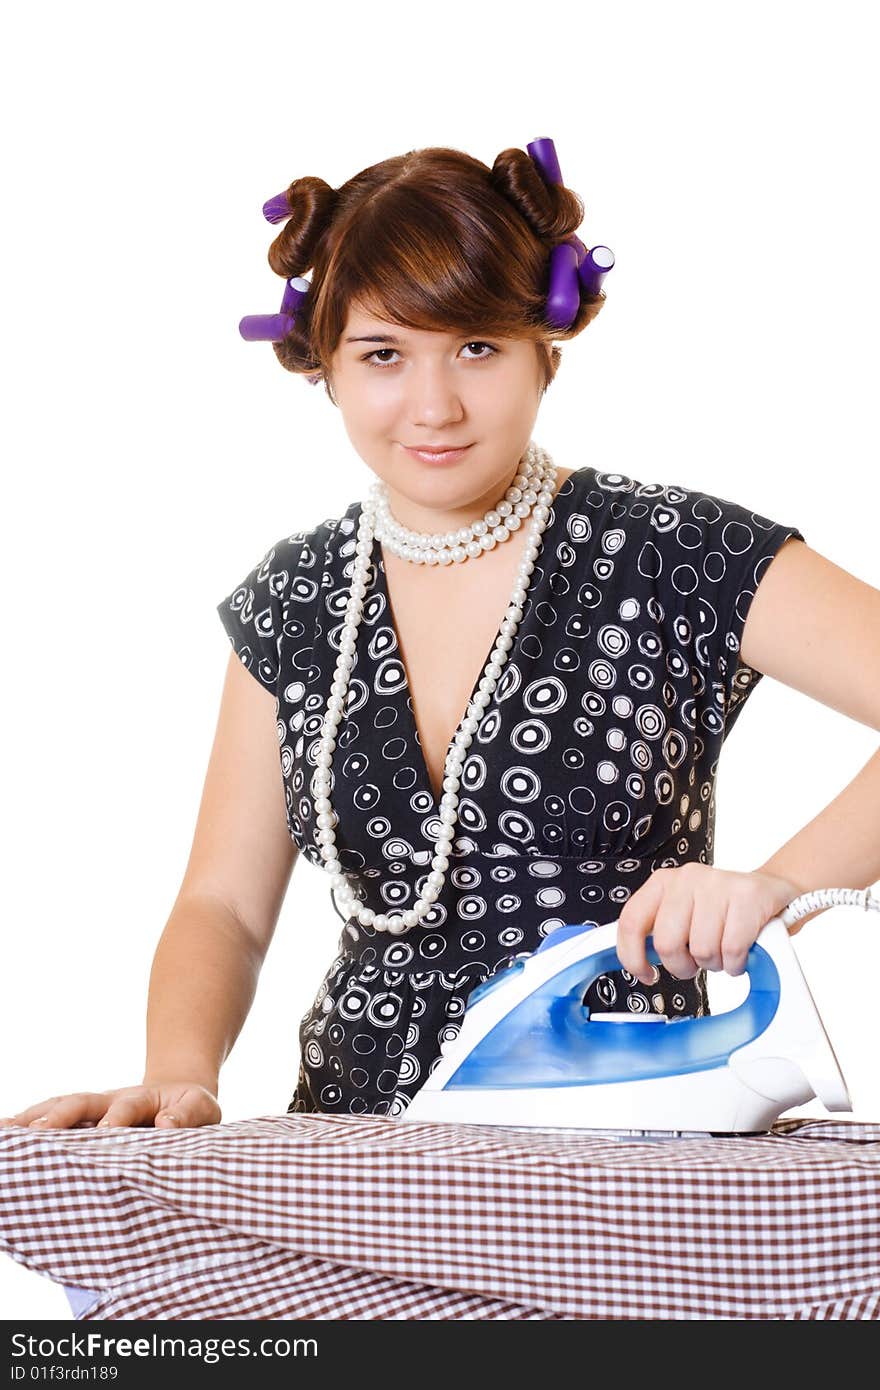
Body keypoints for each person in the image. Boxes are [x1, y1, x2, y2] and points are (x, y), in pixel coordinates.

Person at [3, 139, 879, 1132]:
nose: (434, 406)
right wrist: (179, 1071)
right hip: (351, 1137)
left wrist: (776, 885)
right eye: (383, 354)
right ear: (325, 364)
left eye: (476, 347)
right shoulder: (295, 599)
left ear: (545, 348)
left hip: (627, 1137)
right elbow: (225, 907)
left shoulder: (671, 552)